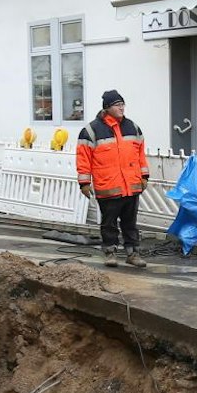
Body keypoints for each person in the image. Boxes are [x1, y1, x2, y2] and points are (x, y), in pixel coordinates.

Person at [76, 89, 151, 268]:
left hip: (131, 185)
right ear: (107, 107)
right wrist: (84, 183)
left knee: (130, 222)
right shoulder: (91, 130)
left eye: (122, 104)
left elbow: (140, 154)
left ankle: (132, 253)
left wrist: (144, 175)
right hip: (108, 186)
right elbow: (83, 159)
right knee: (109, 223)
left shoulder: (132, 127)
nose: (122, 108)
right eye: (117, 105)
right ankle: (110, 252)